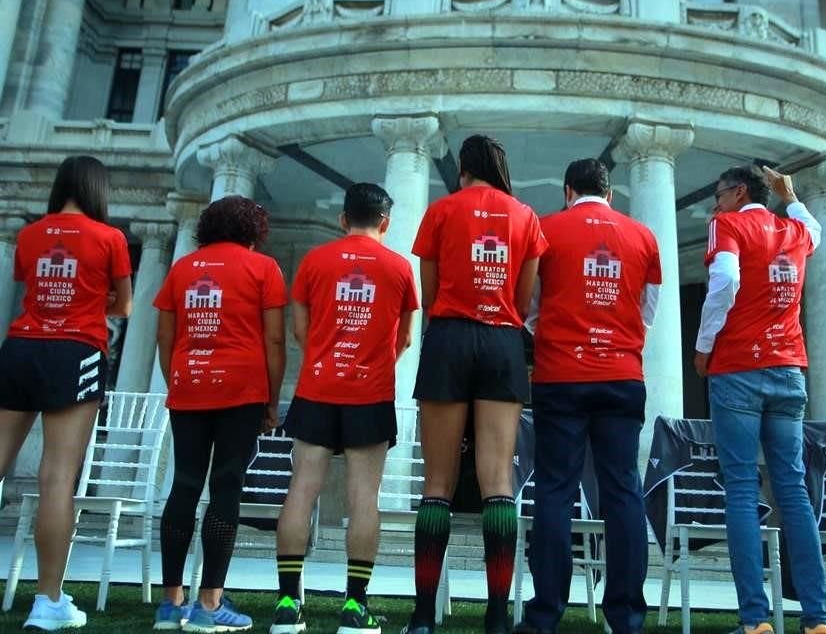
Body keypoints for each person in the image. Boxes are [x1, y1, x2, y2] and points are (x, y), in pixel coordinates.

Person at [402, 135, 548, 634]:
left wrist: (449, 325)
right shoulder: (526, 216)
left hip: (448, 335)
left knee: (437, 484)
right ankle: (497, 617)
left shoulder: (442, 211)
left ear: (464, 168)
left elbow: (430, 285)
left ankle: (423, 618)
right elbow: (526, 294)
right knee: (498, 483)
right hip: (503, 342)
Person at [514, 159, 660, 634]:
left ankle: (545, 614)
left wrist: (556, 337)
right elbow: (648, 313)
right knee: (623, 492)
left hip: (561, 374)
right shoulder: (643, 237)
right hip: (621, 374)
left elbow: (530, 307)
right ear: (610, 194)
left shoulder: (546, 228)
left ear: (567, 190)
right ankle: (627, 617)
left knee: (554, 490)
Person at [270, 183, 419, 634]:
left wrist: (325, 359)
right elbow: (406, 338)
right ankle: (355, 608)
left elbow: (301, 330)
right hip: (369, 395)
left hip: (316, 389)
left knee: (301, 491)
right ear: (386, 223)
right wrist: (371, 364)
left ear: (342, 219)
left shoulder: (315, 261)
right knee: (363, 498)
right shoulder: (398, 268)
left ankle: (286, 605)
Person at [693, 166, 826, 634]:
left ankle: (755, 619)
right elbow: (815, 230)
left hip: (738, 368)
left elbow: (725, 281)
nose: (714, 205)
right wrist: (790, 196)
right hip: (788, 367)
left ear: (737, 192)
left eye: (718, 195)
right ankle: (817, 620)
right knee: (792, 491)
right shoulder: (793, 230)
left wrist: (705, 344)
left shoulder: (728, 225)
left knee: (740, 489)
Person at [0, 155, 132, 630]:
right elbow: (126, 303)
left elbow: (28, 283)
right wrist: (92, 299)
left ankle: (50, 600)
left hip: (19, 347)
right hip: (73, 352)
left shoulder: (31, 234)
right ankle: (48, 600)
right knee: (57, 478)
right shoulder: (110, 237)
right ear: (99, 189)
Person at [152, 195, 287, 633]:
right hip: (241, 388)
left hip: (189, 384)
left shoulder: (183, 269)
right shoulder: (263, 269)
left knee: (185, 483)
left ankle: (171, 602)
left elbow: (165, 338)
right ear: (254, 230)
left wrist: (178, 381)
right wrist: (270, 398)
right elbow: (274, 342)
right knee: (226, 484)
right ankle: (210, 603)